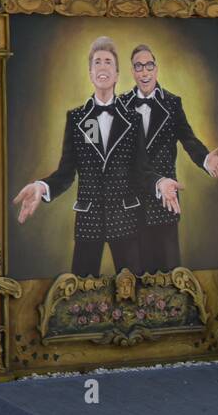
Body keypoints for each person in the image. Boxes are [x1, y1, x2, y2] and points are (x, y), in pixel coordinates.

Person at [13, 37, 177, 276]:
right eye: (97, 62)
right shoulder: (78, 118)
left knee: (133, 291)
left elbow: (141, 170)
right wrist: (42, 186)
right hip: (89, 221)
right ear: (90, 73)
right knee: (80, 295)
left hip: (125, 219)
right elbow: (66, 173)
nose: (103, 66)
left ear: (117, 73)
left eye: (108, 62)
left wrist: (160, 182)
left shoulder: (132, 120)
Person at [119, 44, 218, 272]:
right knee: (133, 274)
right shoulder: (120, 105)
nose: (144, 72)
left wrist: (206, 159)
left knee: (168, 272)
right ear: (133, 71)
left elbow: (188, 139)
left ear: (156, 69)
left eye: (149, 66)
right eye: (139, 67)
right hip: (130, 199)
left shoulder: (172, 103)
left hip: (165, 199)